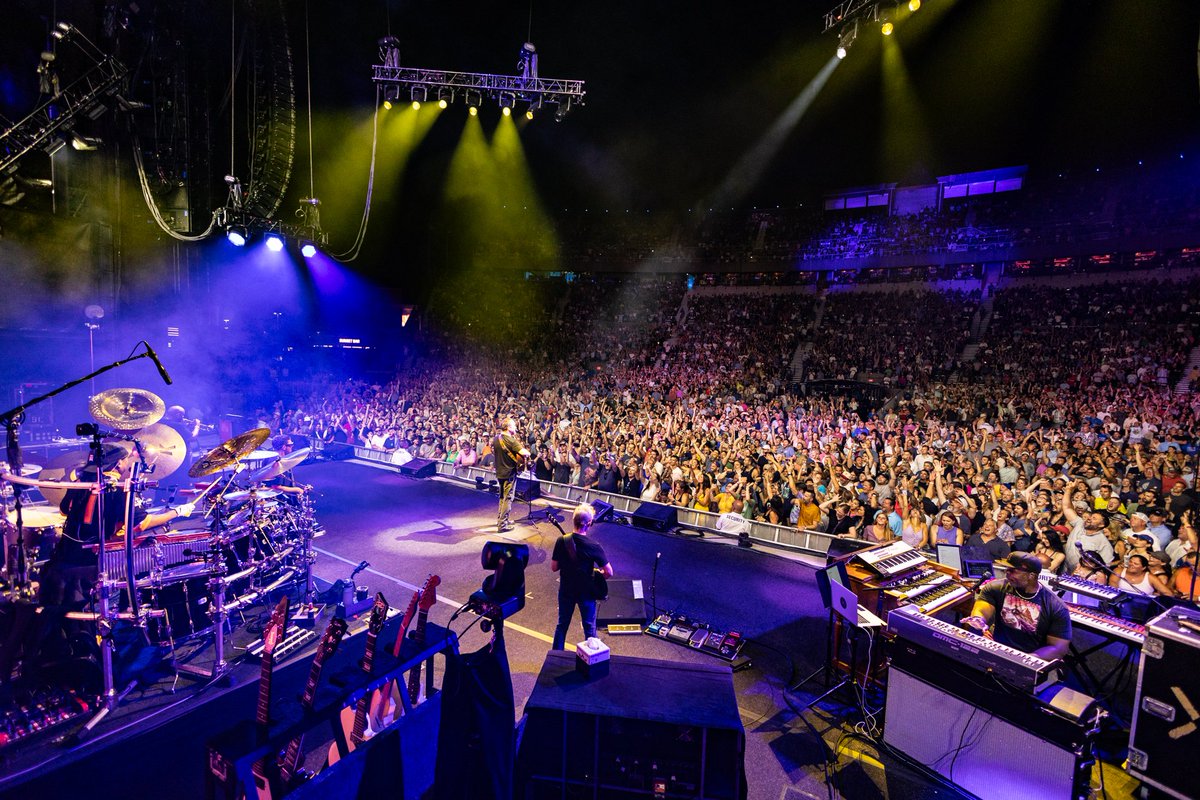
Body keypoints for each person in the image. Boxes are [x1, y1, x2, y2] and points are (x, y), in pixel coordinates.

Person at [960, 552, 1072, 661]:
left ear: (1031, 576)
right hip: (997, 649)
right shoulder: (996, 587)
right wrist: (978, 618)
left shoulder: (1055, 606)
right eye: (1006, 569)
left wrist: (1025, 659)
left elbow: (1058, 648)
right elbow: (982, 609)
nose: (1007, 573)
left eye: (1012, 571)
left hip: (1030, 658)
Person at [550, 503, 613, 650]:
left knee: (562, 626)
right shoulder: (594, 545)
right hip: (586, 592)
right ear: (589, 523)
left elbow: (554, 567)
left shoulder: (562, 541)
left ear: (573, 520)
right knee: (590, 629)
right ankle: (591, 661)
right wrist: (598, 574)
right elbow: (609, 571)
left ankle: (556, 658)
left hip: (566, 590)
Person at [493, 417, 530, 533]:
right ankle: (503, 525)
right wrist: (527, 452)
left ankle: (500, 519)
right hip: (509, 472)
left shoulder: (496, 438)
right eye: (514, 426)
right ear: (508, 427)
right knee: (508, 498)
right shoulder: (511, 440)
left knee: (502, 497)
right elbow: (524, 453)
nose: (516, 428)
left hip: (499, 472)